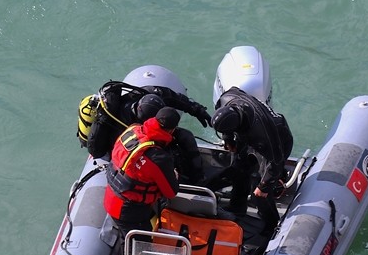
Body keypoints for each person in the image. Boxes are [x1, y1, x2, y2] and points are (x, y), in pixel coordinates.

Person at [210, 87, 295, 232]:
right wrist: (228, 140)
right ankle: (237, 208)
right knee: (238, 169)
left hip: (278, 141)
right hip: (246, 133)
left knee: (260, 193)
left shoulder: (263, 132)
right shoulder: (226, 99)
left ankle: (272, 226)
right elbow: (225, 113)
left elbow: (276, 160)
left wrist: (264, 186)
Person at [84, 78, 211, 160]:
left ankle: (198, 176)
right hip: (128, 148)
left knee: (185, 136)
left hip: (146, 135)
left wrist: (197, 110)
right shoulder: (121, 126)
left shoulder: (147, 95)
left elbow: (173, 97)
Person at [103, 107, 182, 234]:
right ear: (172, 130)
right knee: (141, 242)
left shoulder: (133, 129)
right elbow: (171, 192)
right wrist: (174, 175)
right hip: (129, 211)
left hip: (110, 197)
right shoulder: (158, 158)